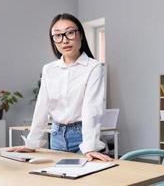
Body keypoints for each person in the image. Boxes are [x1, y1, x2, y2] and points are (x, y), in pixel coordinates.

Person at [8, 13, 112, 162]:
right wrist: (32, 143)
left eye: (70, 33)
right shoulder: (49, 69)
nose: (65, 40)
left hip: (82, 136)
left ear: (80, 35)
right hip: (56, 135)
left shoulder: (93, 67)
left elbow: (91, 109)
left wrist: (90, 146)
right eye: (58, 36)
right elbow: (42, 107)